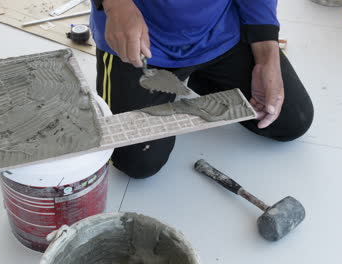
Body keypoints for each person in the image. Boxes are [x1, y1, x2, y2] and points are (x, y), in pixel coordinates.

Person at [90, 0, 314, 179]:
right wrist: (116, 6)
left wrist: (267, 58)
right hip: (142, 39)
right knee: (136, 161)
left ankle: (196, 74)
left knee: (290, 119)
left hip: (220, 32)